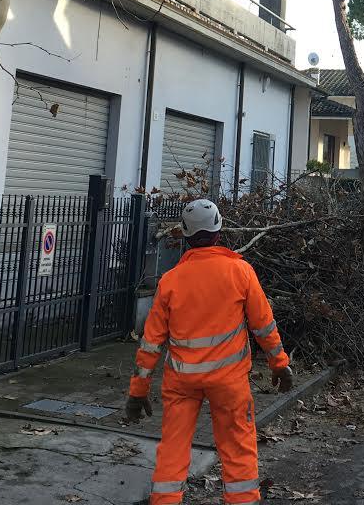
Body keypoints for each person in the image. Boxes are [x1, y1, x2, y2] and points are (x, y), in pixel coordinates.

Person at [125, 199, 294, 505]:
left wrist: (138, 391)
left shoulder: (170, 281)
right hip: (229, 382)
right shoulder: (240, 272)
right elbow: (263, 326)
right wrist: (280, 364)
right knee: (238, 447)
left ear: (186, 237)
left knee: (173, 449)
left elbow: (151, 343)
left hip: (181, 383)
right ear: (219, 231)